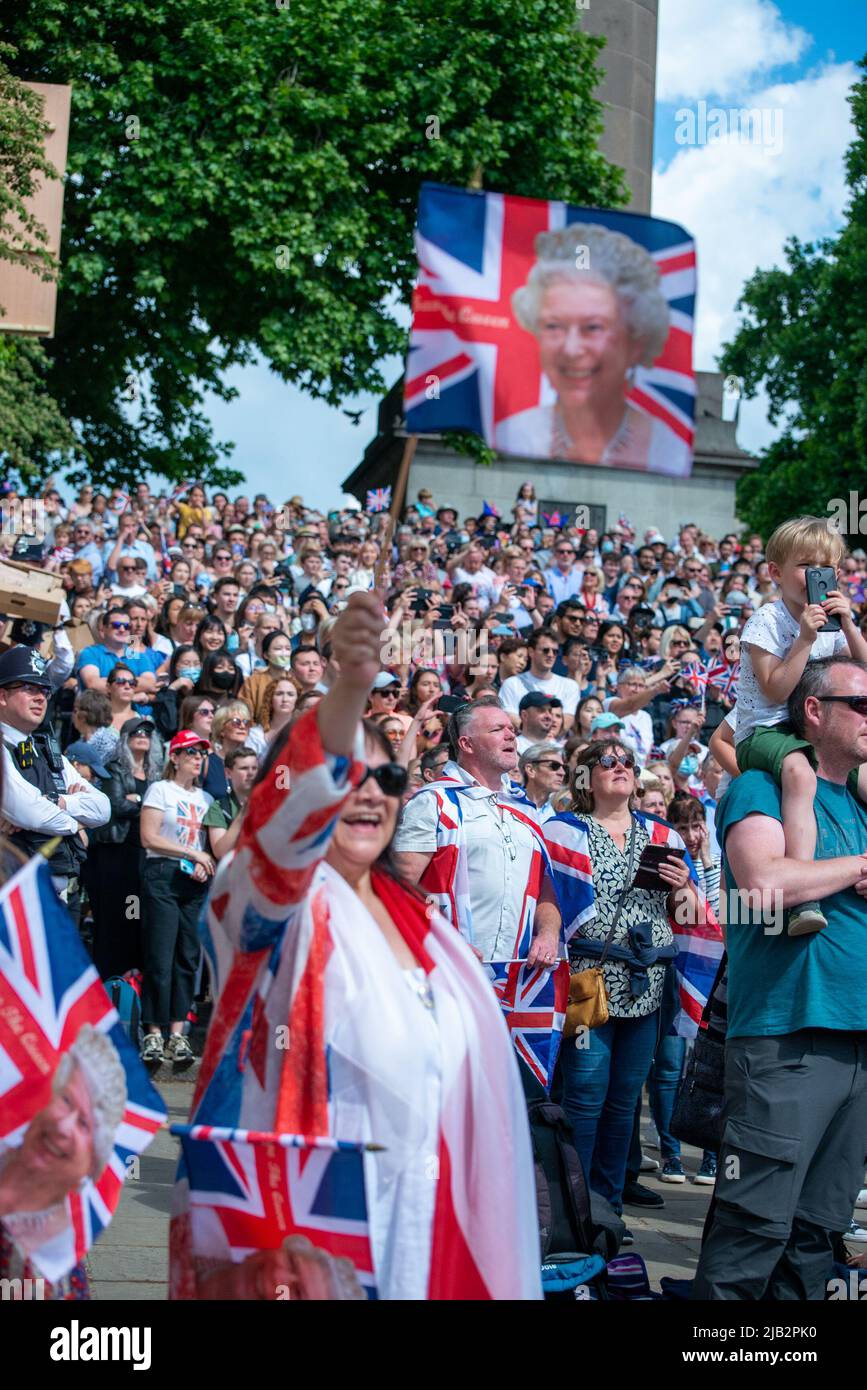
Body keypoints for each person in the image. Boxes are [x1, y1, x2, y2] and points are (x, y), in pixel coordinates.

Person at [170, 592, 540, 1301]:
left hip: (426, 1231)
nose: (369, 795)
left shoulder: (423, 924)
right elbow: (284, 829)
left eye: (387, 778)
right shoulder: (256, 898)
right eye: (345, 776)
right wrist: (349, 685)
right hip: (303, 1239)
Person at [693, 657, 867, 1300]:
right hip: (788, 1037)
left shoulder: (860, 798)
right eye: (862, 704)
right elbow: (765, 886)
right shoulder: (761, 786)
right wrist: (858, 867)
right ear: (815, 712)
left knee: (815, 1238)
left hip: (859, 1043)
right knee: (752, 1230)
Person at [545, 740, 703, 1220]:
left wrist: (685, 887)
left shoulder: (663, 835)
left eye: (628, 763)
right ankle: (575, 1212)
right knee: (585, 1099)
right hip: (590, 982)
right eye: (608, 762)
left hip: (648, 986)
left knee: (624, 1105)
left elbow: (691, 914)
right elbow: (544, 897)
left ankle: (608, 1209)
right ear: (585, 777)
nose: (621, 768)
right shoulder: (563, 830)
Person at [734, 517, 867, 935]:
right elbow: (775, 691)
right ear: (775, 572)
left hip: (809, 730)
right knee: (799, 772)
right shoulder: (766, 622)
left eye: (826, 568)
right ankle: (804, 891)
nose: (817, 577)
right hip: (765, 731)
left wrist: (849, 624)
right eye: (805, 566)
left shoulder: (832, 621)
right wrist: (805, 639)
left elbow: (862, 671)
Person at [393, 696, 561, 969]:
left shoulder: (526, 809)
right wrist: (444, 939)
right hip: (446, 968)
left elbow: (545, 887)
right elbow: (400, 886)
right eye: (497, 730)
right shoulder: (433, 801)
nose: (511, 736)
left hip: (515, 975)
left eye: (511, 729)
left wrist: (548, 933)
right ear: (466, 744)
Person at [499, 224, 684, 473]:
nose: (571, 349)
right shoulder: (512, 433)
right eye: (554, 326)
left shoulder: (668, 450)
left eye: (593, 327)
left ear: (636, 344)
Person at [0, 1025, 126, 1262]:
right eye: (66, 1100)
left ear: (92, 1165)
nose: (63, 1127)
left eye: (84, 1124)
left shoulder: (49, 1263)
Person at [0, 647, 110, 903]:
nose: (41, 698)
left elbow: (103, 808)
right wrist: (77, 822)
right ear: (2, 696)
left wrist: (59, 803)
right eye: (30, 688)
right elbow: (25, 810)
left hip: (52, 889)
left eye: (45, 691)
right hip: (11, 890)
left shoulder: (46, 751)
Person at [139, 729, 215, 1067]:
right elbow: (149, 837)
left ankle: (178, 1031)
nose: (197, 759)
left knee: (186, 957)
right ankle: (153, 1030)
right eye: (191, 753)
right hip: (162, 876)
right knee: (160, 954)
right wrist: (193, 853)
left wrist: (201, 861)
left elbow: (207, 847)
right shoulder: (160, 789)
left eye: (201, 754)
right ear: (175, 757)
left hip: (192, 881)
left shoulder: (207, 800)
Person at [87, 716, 162, 978]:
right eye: (136, 732)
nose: (142, 735)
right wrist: (146, 804)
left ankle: (129, 977)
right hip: (115, 852)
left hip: (140, 853)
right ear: (125, 739)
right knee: (112, 917)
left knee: (134, 914)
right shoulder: (115, 767)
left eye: (147, 733)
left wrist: (137, 801)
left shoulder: (155, 773)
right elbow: (115, 804)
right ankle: (108, 977)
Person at [499, 630, 581, 730]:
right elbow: (510, 717)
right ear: (531, 652)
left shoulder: (570, 686)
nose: (551, 655)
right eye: (545, 650)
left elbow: (567, 720)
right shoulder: (512, 684)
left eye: (555, 652)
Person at [204, 744, 259, 861]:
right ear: (228, 773)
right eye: (244, 768)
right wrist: (243, 813)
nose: (251, 773)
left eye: (254, 768)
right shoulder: (219, 808)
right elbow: (220, 852)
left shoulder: (271, 803)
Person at [519, 742, 565, 822]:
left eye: (565, 768)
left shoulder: (559, 814)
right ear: (531, 770)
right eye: (554, 766)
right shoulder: (508, 804)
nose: (562, 773)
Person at [515, 690, 562, 754]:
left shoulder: (560, 750)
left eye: (550, 711)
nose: (548, 716)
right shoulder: (514, 747)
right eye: (541, 710)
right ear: (525, 715)